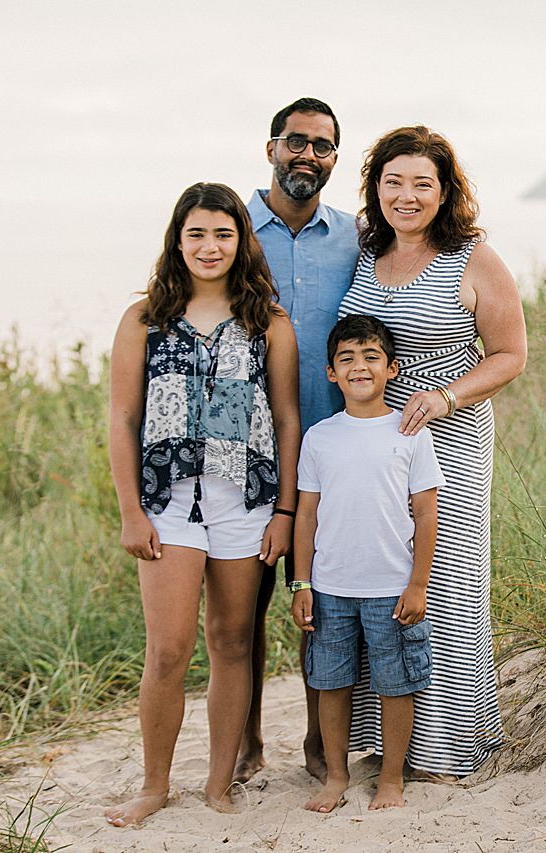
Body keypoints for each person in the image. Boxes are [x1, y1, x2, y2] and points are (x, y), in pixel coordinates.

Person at [104, 182, 300, 827]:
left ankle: (220, 784)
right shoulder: (144, 320)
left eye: (223, 233)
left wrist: (285, 512)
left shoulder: (267, 322)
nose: (210, 246)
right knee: (167, 651)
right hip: (167, 503)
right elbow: (122, 416)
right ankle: (155, 785)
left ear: (241, 240)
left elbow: (287, 418)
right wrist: (131, 511)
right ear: (177, 241)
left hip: (245, 500)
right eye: (197, 234)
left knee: (232, 642)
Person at [338, 126, 527, 777]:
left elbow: (510, 355)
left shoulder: (471, 256)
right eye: (395, 181)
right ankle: (384, 737)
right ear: (376, 187)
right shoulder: (362, 253)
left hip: (450, 436)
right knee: (383, 575)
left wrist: (446, 396)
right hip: (372, 441)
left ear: (445, 191)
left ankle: (444, 746)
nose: (407, 195)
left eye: (423, 183)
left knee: (443, 580)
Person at [236, 97, 360, 785]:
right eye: (295, 142)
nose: (307, 155)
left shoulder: (355, 236)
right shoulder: (233, 231)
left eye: (322, 146)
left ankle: (321, 743)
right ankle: (249, 742)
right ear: (271, 148)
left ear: (335, 158)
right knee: (242, 609)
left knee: (324, 604)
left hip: (332, 454)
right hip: (247, 457)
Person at [289, 314, 444, 811]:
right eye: (347, 358)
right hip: (330, 588)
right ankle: (336, 776)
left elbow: (425, 513)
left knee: (396, 682)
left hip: (391, 587)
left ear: (393, 368)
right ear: (331, 373)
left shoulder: (410, 434)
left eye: (371, 356)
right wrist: (301, 583)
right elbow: (307, 515)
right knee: (331, 681)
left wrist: (417, 584)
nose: (360, 366)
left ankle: (392, 779)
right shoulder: (320, 437)